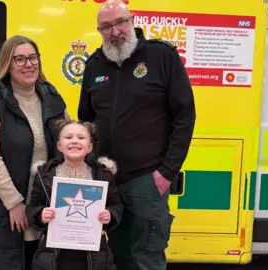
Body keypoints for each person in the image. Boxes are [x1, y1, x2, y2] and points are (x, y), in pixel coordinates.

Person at [77, 0, 196, 269]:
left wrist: (166, 173)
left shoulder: (161, 57)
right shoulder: (94, 65)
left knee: (147, 258)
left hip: (148, 180)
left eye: (120, 22)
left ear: (133, 20)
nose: (115, 31)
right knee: (116, 256)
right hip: (109, 182)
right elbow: (86, 121)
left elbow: (184, 115)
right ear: (99, 31)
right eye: (106, 27)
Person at [0, 35, 70, 270]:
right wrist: (15, 203)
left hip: (46, 209)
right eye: (20, 59)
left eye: (32, 57)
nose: (28, 64)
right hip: (5, 209)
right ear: (7, 64)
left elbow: (69, 143)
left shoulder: (53, 98)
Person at [25, 119, 123, 270]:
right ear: (59, 146)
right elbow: (33, 206)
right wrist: (40, 215)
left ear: (90, 147)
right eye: (68, 137)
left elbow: (116, 204)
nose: (75, 141)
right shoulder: (45, 175)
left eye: (81, 138)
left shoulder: (103, 175)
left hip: (93, 256)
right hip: (54, 256)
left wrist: (110, 215)